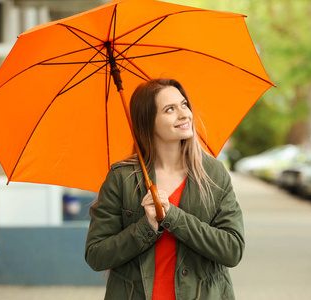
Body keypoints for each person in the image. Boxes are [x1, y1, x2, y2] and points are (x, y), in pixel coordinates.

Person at [85, 78, 245, 300]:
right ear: (148, 121)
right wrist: (145, 227)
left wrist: (173, 217)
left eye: (184, 104)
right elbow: (96, 255)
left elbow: (232, 249)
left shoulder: (213, 174)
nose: (184, 114)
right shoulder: (121, 178)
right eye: (170, 109)